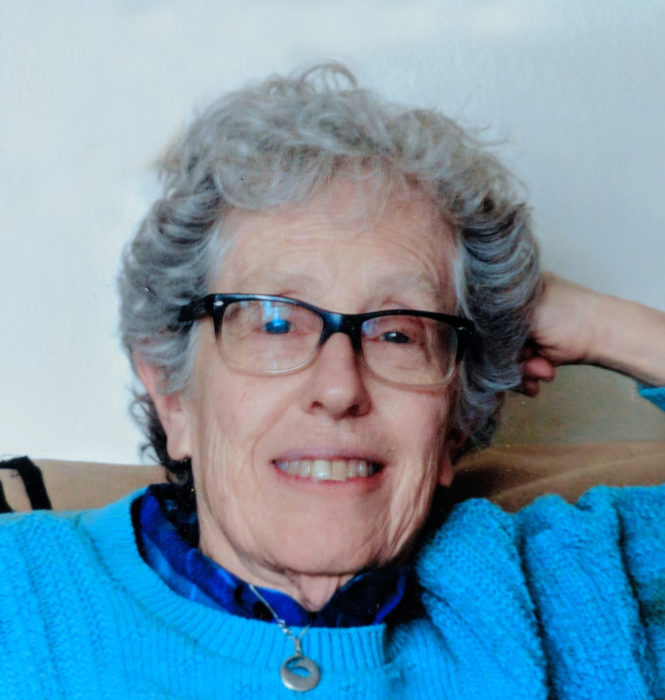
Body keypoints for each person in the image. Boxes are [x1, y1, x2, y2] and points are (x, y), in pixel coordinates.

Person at [0, 63, 664, 699]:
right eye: (274, 324)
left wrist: (609, 328)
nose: (340, 387)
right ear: (173, 395)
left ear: (456, 419)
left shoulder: (563, 591)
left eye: (399, 332)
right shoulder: (23, 598)